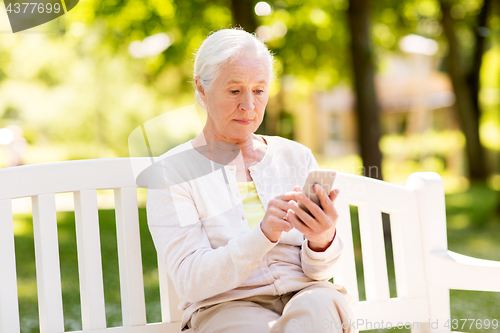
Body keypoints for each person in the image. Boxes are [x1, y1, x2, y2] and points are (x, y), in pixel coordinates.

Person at [146, 28, 357, 333]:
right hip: (227, 306)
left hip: (307, 295)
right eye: (234, 91)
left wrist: (322, 239)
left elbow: (321, 270)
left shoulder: (295, 156)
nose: (248, 105)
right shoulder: (173, 173)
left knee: (320, 309)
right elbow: (191, 280)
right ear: (202, 90)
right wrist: (264, 233)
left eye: (259, 90)